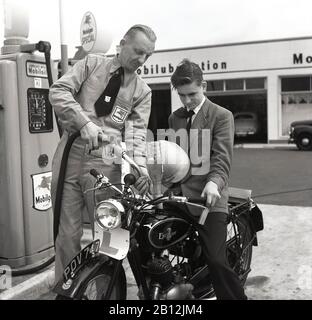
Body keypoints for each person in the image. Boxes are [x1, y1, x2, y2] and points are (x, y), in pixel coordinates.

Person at [49, 24, 157, 283]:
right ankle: (69, 287)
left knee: (111, 233)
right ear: (122, 44)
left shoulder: (142, 91)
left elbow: (136, 136)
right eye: (138, 51)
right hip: (70, 155)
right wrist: (84, 123)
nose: (141, 60)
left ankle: (109, 287)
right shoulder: (91, 65)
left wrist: (140, 169)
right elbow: (58, 91)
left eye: (147, 56)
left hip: (108, 163)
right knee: (67, 233)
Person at [168, 59, 247, 300]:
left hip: (210, 198)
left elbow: (222, 158)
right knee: (150, 238)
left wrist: (214, 182)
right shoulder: (175, 118)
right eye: (182, 96)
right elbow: (174, 158)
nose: (187, 100)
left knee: (215, 259)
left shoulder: (222, 116)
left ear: (204, 86)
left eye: (192, 94)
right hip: (181, 197)